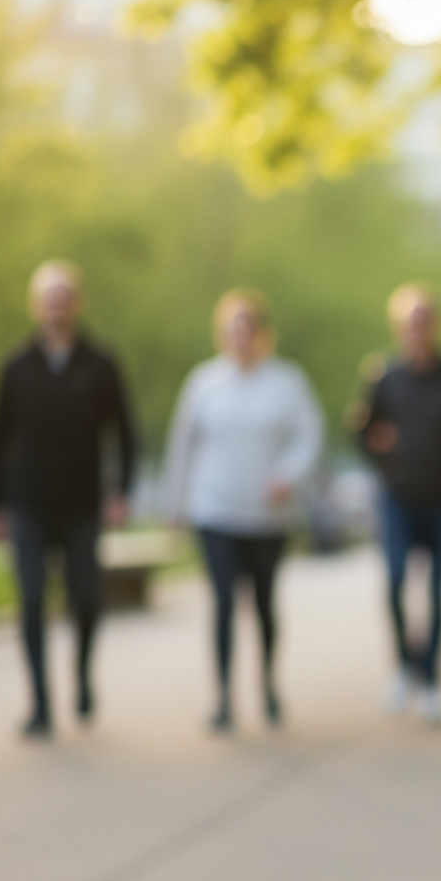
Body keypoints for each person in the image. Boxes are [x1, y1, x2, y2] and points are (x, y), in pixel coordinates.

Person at [165, 289, 323, 732]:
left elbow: (308, 436)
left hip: (266, 516)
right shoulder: (204, 383)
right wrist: (173, 504)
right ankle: (223, 698)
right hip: (214, 508)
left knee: (264, 603)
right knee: (221, 604)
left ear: (262, 335)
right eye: (234, 331)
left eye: (249, 330)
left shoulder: (286, 382)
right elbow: (184, 444)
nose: (242, 339)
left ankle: (269, 684)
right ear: (223, 335)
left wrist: (288, 475)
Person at [0, 260, 136, 738]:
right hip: (29, 503)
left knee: (86, 598)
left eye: (64, 295)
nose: (56, 304)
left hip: (82, 502)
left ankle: (82, 678)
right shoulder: (16, 366)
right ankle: (40, 703)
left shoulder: (101, 363)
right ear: (38, 305)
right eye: (48, 296)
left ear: (77, 303)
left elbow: (125, 430)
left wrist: (123, 491)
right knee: (32, 599)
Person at [353, 283, 441, 726]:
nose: (417, 331)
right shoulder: (383, 377)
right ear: (400, 329)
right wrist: (379, 448)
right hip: (398, 498)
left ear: (435, 327)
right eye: (410, 324)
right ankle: (402, 667)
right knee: (394, 581)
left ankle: (431, 681)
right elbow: (360, 431)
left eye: (424, 323)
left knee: (435, 592)